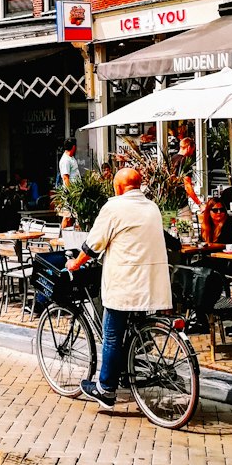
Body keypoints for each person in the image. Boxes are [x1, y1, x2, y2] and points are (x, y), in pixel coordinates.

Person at [65, 167, 173, 410]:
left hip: (125, 284)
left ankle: (106, 390)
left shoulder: (114, 207)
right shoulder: (152, 207)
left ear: (119, 187)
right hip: (152, 283)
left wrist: (76, 263)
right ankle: (127, 371)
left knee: (112, 336)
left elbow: (93, 245)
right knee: (132, 331)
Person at [173, 136, 202, 211]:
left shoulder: (172, 159)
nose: (193, 153)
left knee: (169, 222)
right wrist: (199, 204)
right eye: (193, 150)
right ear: (189, 147)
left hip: (170, 203)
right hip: (181, 203)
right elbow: (187, 186)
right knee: (186, 221)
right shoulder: (185, 161)